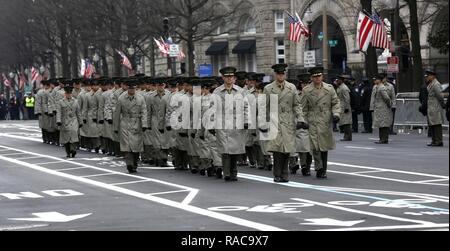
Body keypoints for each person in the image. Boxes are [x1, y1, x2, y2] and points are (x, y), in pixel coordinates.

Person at [263, 64, 307, 183]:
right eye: (278, 74)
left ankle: (285, 174)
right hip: (275, 121)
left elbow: (296, 105)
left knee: (287, 150)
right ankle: (277, 174)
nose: (280, 76)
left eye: (282, 74)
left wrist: (301, 119)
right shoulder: (268, 88)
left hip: (288, 121)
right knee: (277, 150)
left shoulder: (291, 88)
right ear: (275, 75)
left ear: (285, 74)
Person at [301, 67, 341, 179]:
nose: (317, 78)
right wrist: (302, 120)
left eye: (319, 76)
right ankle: (319, 167)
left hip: (325, 120)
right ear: (311, 78)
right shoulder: (306, 90)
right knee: (315, 146)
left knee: (324, 146)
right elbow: (303, 108)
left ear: (322, 76)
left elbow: (335, 102)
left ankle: (323, 169)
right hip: (312, 120)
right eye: (314, 76)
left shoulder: (329, 88)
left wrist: (336, 114)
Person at [213, 66, 248, 182]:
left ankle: (234, 172)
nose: (229, 79)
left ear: (234, 78)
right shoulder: (217, 92)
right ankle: (227, 173)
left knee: (235, 150)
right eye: (227, 77)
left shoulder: (240, 91)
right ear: (223, 78)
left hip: (236, 124)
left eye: (231, 77)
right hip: (222, 123)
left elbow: (246, 107)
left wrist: (247, 121)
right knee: (225, 150)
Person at [114, 79, 148, 174]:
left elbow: (144, 112)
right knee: (127, 146)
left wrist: (144, 124)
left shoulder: (140, 98)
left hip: (137, 123)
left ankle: (135, 163)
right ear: (127, 88)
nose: (132, 90)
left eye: (133, 88)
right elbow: (117, 113)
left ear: (136, 88)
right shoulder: (121, 98)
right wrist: (115, 127)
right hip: (125, 123)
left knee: (136, 146)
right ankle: (129, 164)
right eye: (130, 88)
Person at [290, 73, 313, 176]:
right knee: (295, 145)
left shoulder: (313, 93)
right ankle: (294, 164)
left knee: (307, 147)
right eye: (303, 83)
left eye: (307, 83)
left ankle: (305, 166)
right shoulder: (296, 94)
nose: (305, 85)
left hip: (310, 122)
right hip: (296, 121)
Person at [56, 80, 82, 158]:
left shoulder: (76, 101)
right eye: (67, 93)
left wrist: (80, 122)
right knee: (66, 138)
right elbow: (59, 112)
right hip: (65, 121)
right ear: (65, 94)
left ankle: (73, 150)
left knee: (74, 135)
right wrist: (58, 121)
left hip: (73, 121)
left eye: (70, 93)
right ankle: (68, 151)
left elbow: (78, 113)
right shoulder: (61, 102)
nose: (68, 95)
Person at [425, 70, 446, 147]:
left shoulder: (436, 84)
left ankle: (439, 141)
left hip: (435, 106)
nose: (427, 78)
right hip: (431, 107)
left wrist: (443, 104)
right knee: (433, 124)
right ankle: (434, 140)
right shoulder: (431, 84)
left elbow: (440, 96)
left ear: (432, 76)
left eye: (428, 76)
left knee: (437, 124)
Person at [370, 74, 392, 144]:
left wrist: (389, 105)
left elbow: (387, 98)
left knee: (384, 124)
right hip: (379, 108)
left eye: (375, 79)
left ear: (379, 80)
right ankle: (381, 138)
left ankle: (384, 138)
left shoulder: (381, 87)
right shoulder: (376, 87)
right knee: (380, 124)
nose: (374, 80)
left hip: (383, 108)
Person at [336, 75, 353, 141]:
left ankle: (347, 136)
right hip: (342, 106)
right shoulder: (340, 87)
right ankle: (346, 136)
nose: (337, 81)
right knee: (344, 122)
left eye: (338, 80)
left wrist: (347, 107)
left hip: (345, 106)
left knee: (346, 122)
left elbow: (347, 98)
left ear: (341, 80)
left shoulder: (344, 88)